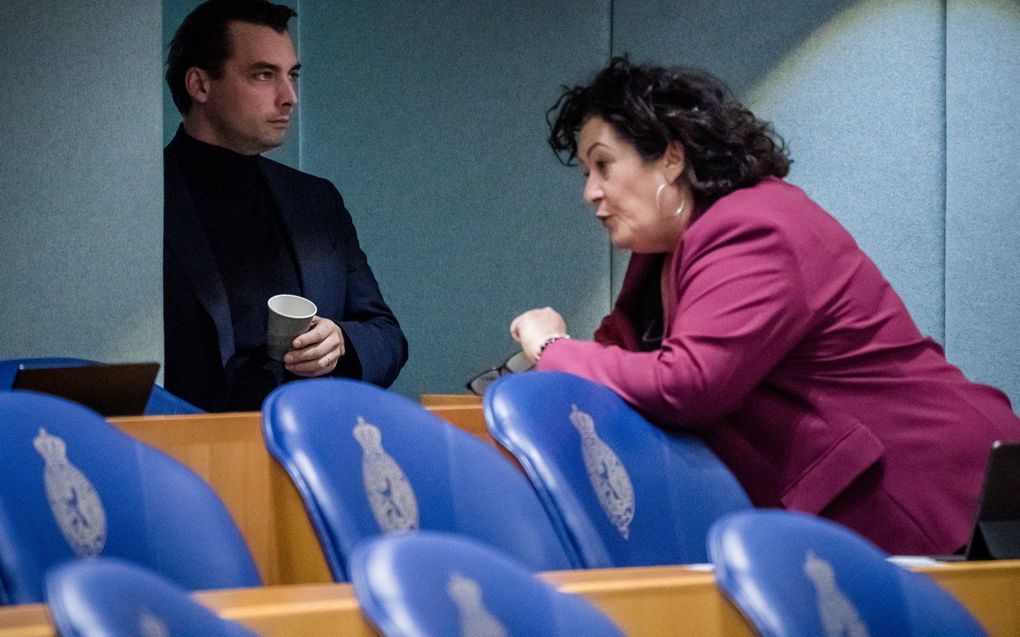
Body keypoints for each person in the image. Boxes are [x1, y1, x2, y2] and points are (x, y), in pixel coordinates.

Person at [510, 57, 1019, 555]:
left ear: (671, 156)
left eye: (602, 165)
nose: (590, 193)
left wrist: (553, 347)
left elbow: (687, 383)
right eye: (585, 172)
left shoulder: (752, 227)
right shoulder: (666, 254)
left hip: (936, 493)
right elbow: (620, 356)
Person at [164, 0, 407, 412]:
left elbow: (387, 335)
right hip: (183, 451)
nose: (289, 97)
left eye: (292, 76)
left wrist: (342, 343)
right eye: (263, 75)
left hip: (307, 446)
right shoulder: (140, 202)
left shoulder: (315, 200)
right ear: (200, 85)